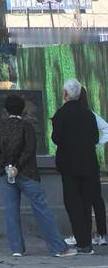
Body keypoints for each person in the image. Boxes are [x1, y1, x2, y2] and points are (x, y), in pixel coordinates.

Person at [0, 91, 74, 260]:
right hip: (27, 173)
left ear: (6, 110)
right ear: (22, 110)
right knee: (42, 210)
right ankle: (57, 248)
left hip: (7, 175)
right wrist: (17, 166)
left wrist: (7, 166)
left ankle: (16, 248)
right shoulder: (26, 126)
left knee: (11, 212)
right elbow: (29, 150)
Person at [52, 78, 105, 254]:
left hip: (68, 165)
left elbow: (56, 138)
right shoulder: (89, 114)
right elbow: (95, 138)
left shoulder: (61, 114)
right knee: (85, 203)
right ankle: (86, 243)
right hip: (88, 164)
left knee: (72, 203)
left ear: (65, 94)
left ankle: (82, 242)